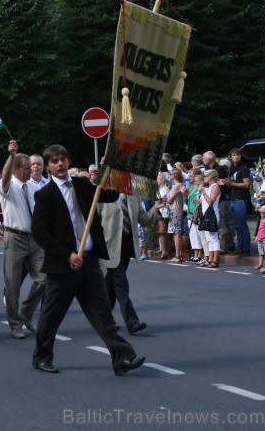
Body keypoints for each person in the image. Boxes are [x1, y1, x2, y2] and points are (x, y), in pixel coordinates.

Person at [31, 144, 145, 375]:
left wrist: (109, 168)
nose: (60, 164)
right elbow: (40, 232)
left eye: (63, 159)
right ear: (48, 168)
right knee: (51, 316)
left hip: (89, 263)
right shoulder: (45, 195)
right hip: (63, 267)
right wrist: (68, 254)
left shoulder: (82, 185)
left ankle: (121, 357)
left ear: (69, 161)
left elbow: (111, 194)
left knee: (102, 314)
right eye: (54, 161)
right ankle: (42, 356)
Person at [0, 141, 47, 339]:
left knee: (45, 279)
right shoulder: (7, 187)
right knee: (12, 286)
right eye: (26, 169)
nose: (30, 172)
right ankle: (15, 324)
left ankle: (25, 313)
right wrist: (11, 156)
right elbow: (4, 177)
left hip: (34, 239)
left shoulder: (33, 188)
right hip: (14, 238)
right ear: (16, 170)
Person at [99, 195, 163, 334]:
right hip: (110, 246)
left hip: (127, 245)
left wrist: (155, 209)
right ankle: (132, 322)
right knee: (121, 284)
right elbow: (92, 220)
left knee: (111, 284)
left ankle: (102, 319)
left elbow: (144, 220)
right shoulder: (102, 194)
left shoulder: (133, 197)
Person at [230, 148, 253, 255]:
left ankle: (246, 248)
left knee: (242, 225)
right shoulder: (232, 168)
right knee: (237, 226)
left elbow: (246, 184)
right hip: (233, 198)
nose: (236, 157)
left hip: (241, 199)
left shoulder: (243, 168)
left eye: (238, 155)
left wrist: (231, 184)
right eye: (234, 155)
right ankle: (240, 247)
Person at [201, 169, 221, 268]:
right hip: (206, 213)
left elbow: (211, 201)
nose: (204, 178)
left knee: (213, 237)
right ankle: (210, 258)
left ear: (211, 177)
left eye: (205, 176)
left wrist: (203, 193)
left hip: (212, 213)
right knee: (209, 238)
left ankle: (215, 259)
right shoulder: (208, 188)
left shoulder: (215, 186)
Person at [167, 169, 187, 263]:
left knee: (176, 233)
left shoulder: (177, 185)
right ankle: (178, 254)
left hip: (175, 211)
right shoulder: (177, 186)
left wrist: (166, 198)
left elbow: (169, 200)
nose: (170, 176)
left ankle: (178, 255)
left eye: (171, 174)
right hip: (175, 211)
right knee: (176, 233)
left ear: (175, 175)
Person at [254, 206, 265, 270]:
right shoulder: (261, 220)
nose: (261, 214)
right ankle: (260, 264)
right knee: (260, 252)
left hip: (264, 238)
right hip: (260, 238)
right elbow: (259, 229)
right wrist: (257, 236)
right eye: (261, 213)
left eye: (262, 213)